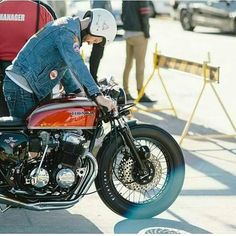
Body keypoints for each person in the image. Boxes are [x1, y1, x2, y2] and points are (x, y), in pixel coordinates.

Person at [3, 8, 117, 119]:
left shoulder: (68, 27)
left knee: (44, 132)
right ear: (96, 28)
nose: (90, 43)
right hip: (22, 86)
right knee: (29, 133)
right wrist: (97, 95)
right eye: (96, 40)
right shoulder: (66, 32)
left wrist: (76, 91)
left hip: (25, 85)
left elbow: (63, 67)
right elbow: (76, 63)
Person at [0, 0, 56, 116]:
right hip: (33, 77)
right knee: (38, 123)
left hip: (2, 74)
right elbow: (55, 46)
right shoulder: (42, 10)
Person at [122, 0, 154, 102]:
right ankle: (141, 93)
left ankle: (125, 92)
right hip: (139, 34)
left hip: (128, 33)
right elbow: (144, 16)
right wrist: (147, 33)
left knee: (128, 64)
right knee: (140, 65)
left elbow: (123, 15)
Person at [89, 0, 113, 82]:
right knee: (96, 54)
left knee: (99, 54)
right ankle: (93, 77)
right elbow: (97, 15)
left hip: (102, 31)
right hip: (99, 31)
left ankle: (93, 76)